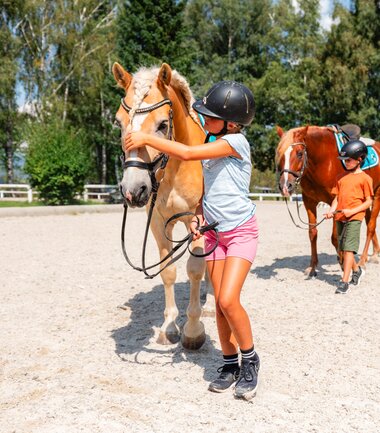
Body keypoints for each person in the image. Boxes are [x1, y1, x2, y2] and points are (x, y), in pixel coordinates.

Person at [125, 81, 260, 400]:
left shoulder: (236, 143)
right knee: (222, 307)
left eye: (211, 117)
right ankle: (230, 365)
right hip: (214, 232)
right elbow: (209, 189)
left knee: (227, 300)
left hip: (240, 232)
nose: (205, 120)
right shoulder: (216, 141)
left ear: (232, 123)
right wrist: (199, 215)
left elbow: (186, 151)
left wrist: (145, 136)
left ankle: (250, 360)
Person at [325, 140, 373, 294]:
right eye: (344, 160)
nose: (346, 163)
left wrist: (352, 212)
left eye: (348, 160)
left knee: (349, 249)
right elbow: (336, 199)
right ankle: (357, 270)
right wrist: (331, 211)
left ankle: (344, 282)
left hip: (355, 217)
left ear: (360, 159)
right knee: (342, 248)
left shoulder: (366, 179)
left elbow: (368, 202)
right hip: (340, 217)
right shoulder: (340, 177)